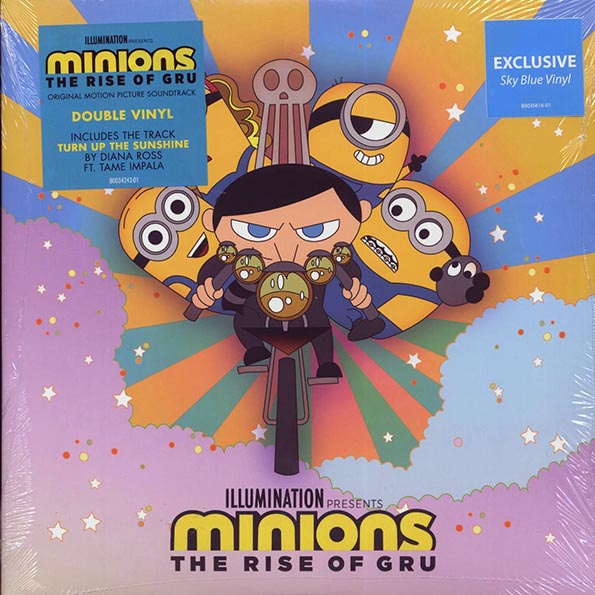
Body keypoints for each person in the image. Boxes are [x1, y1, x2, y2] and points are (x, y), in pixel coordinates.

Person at [192, 164, 381, 378]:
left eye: (315, 231)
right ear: (211, 222)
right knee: (243, 320)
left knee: (320, 325)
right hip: (257, 315)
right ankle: (255, 348)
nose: (285, 247)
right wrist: (206, 289)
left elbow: (349, 271)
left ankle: (326, 363)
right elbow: (214, 270)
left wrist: (355, 289)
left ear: (362, 213)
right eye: (256, 231)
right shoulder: (240, 259)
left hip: (310, 317)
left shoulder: (324, 261)